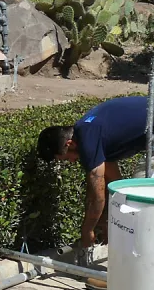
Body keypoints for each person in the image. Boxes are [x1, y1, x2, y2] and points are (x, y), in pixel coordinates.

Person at [37, 95, 150, 268]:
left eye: (66, 159)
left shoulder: (88, 140)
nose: (72, 162)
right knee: (134, 200)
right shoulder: (90, 132)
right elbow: (113, 183)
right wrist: (107, 220)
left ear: (69, 144)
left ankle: (138, 273)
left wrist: (87, 230)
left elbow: (96, 197)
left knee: (141, 206)